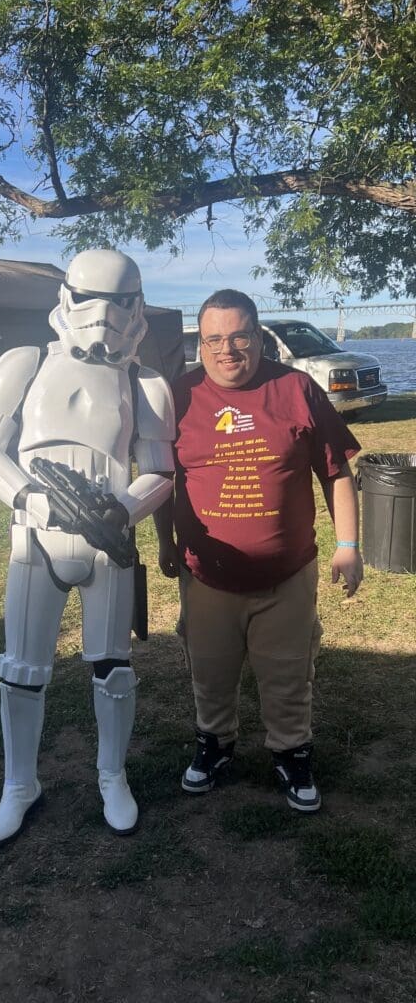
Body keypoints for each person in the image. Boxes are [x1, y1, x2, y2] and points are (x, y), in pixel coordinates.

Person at [0, 249, 175, 846]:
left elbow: (160, 469)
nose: (102, 315)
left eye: (119, 302)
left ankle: (112, 776)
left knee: (112, 668)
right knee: (22, 670)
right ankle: (18, 784)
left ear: (135, 306)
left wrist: (126, 507)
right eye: (89, 297)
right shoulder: (23, 363)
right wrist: (31, 500)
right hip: (35, 538)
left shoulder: (147, 382)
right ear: (66, 296)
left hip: (109, 543)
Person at [154, 289, 363, 813]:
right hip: (205, 574)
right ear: (199, 344)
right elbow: (161, 479)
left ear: (258, 336)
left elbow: (336, 470)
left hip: (287, 573)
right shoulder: (177, 396)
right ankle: (214, 743)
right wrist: (163, 542)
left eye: (239, 336)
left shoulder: (295, 388)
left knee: (288, 670)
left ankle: (292, 751)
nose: (228, 350)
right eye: (214, 339)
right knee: (209, 668)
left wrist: (348, 545)